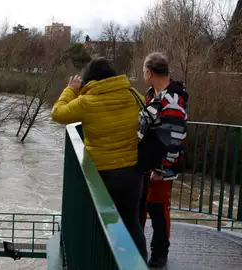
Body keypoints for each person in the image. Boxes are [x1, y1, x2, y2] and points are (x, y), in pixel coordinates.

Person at [51, 57, 148, 261]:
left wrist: (71, 89)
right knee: (131, 221)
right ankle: (140, 263)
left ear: (90, 79)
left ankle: (106, 261)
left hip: (102, 175)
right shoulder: (132, 95)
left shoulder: (87, 101)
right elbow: (148, 112)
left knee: (103, 224)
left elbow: (58, 113)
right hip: (132, 172)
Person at [138, 52, 188, 268]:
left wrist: (161, 169)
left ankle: (159, 255)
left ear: (149, 72)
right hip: (148, 164)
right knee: (144, 206)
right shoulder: (154, 94)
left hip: (160, 168)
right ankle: (140, 249)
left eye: (143, 71)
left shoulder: (173, 99)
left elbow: (174, 138)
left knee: (158, 209)